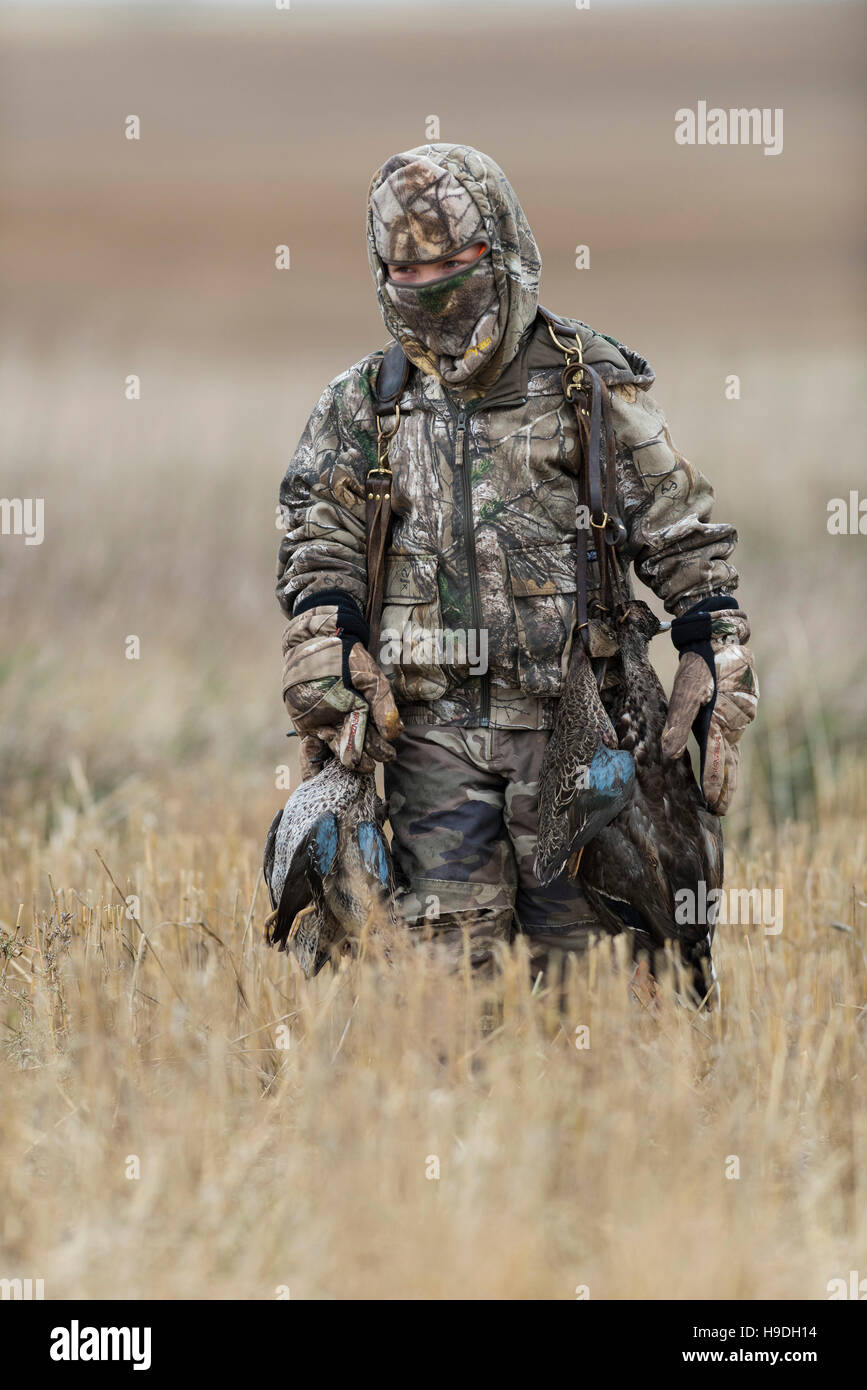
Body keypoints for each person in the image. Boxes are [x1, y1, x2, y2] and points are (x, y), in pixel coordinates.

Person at [275, 143, 758, 973]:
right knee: (442, 990)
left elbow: (677, 526)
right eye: (406, 273)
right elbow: (321, 536)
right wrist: (326, 637)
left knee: (587, 978)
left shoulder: (589, 381)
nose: (432, 290)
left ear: (498, 248)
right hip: (425, 738)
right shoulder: (364, 404)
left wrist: (713, 646)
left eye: (453, 264)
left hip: (581, 735)